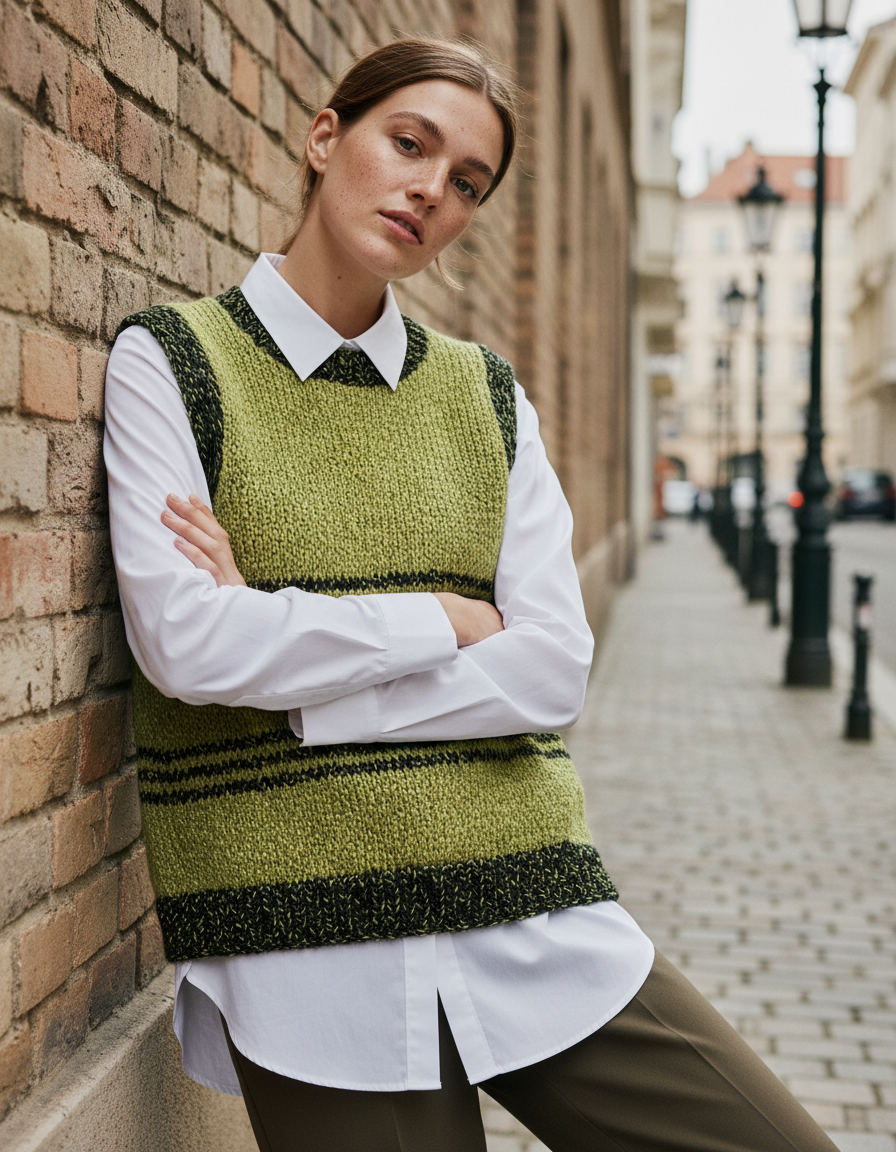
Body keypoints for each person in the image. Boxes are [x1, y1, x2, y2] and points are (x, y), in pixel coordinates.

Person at [104, 36, 840, 1152]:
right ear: (323, 137)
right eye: (408, 144)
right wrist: (441, 621)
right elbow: (191, 646)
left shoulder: (483, 397)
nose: (428, 192)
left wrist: (301, 680)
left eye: (465, 184)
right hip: (307, 937)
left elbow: (549, 667)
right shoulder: (173, 362)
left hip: (529, 904)